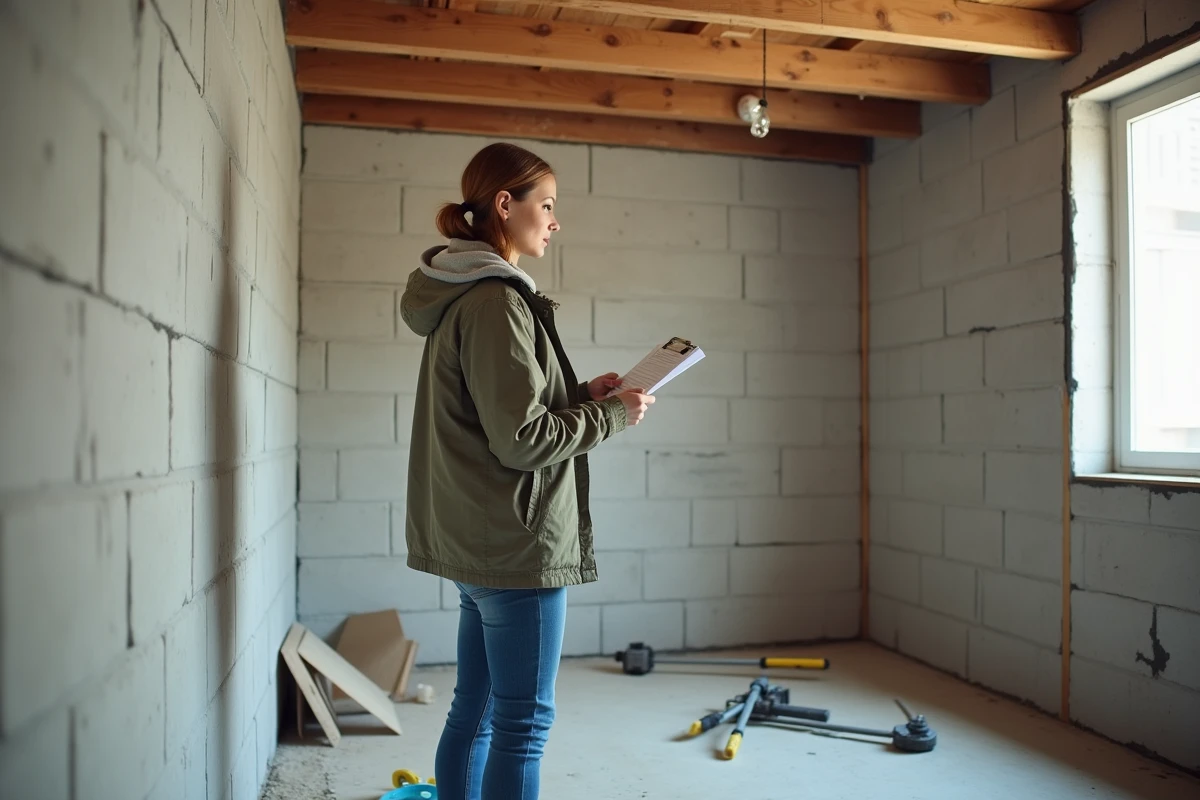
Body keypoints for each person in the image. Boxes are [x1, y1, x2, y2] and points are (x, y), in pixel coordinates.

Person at [399, 142, 654, 800]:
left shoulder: (469, 295)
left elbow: (507, 413)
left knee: (477, 713)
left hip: (482, 540)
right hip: (516, 547)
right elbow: (521, 440)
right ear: (505, 206)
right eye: (547, 205)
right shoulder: (495, 303)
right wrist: (613, 416)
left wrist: (585, 397)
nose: (555, 219)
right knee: (522, 724)